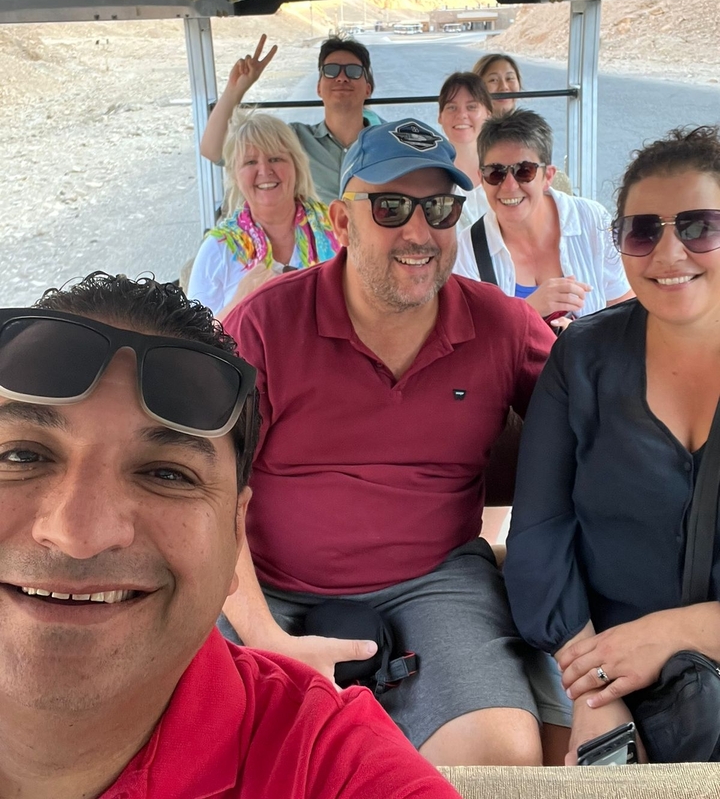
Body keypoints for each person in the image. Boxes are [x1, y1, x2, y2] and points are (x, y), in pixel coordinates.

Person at [0, 273, 463, 799]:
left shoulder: (330, 766)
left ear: (235, 536)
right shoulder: (264, 306)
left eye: (166, 473)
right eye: (21, 456)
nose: (76, 534)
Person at [219, 118, 572, 767]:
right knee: (212, 754)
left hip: (436, 580)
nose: (418, 232)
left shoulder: (500, 325)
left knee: (501, 755)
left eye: (438, 208)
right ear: (344, 223)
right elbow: (204, 484)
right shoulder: (263, 325)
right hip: (266, 584)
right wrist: (262, 634)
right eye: (389, 206)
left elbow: (599, 420)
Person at [503, 126, 720, 764]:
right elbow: (539, 530)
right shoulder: (586, 357)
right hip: (594, 661)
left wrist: (684, 630)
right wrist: (594, 693)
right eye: (643, 231)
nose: (668, 254)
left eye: (700, 226)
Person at [454, 110, 632, 328]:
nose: (509, 186)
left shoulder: (592, 220)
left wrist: (581, 339)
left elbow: (624, 308)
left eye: (524, 171)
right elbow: (473, 345)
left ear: (547, 176)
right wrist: (529, 310)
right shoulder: (467, 250)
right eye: (496, 173)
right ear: (482, 179)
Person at [188, 112, 338, 318]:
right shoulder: (218, 248)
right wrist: (241, 300)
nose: (264, 170)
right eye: (250, 162)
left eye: (275, 158)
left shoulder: (338, 230)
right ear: (235, 176)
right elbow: (192, 342)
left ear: (297, 166)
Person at [200, 34, 380, 205]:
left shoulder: (390, 142)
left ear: (367, 89)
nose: (341, 78)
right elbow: (212, 150)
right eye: (331, 71)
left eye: (353, 71)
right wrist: (235, 89)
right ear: (318, 88)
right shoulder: (293, 139)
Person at [437, 71, 493, 228]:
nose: (461, 115)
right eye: (452, 107)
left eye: (472, 107)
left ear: (488, 114)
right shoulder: (429, 176)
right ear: (440, 116)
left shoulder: (507, 172)